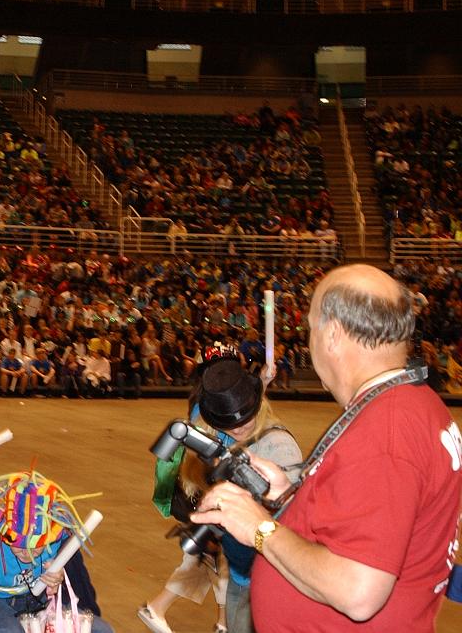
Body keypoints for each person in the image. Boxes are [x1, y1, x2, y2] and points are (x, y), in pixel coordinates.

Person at [191, 264, 462, 631]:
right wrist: (289, 496)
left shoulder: (387, 430)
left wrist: (259, 527)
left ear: (332, 334)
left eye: (311, 328)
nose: (310, 341)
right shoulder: (412, 403)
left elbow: (358, 593)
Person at [142, 354, 302, 633]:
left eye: (244, 415)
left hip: (266, 579)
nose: (238, 426)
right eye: (228, 421)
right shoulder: (222, 441)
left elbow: (293, 527)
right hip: (241, 576)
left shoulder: (278, 447)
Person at [0, 469, 113, 633]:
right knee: (8, 631)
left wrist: (56, 578)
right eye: (19, 544)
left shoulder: (57, 536)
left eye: (36, 545)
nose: (27, 552)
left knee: (100, 630)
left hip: (26, 594)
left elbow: (57, 584)